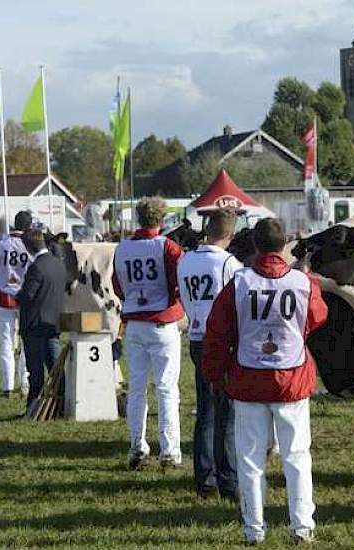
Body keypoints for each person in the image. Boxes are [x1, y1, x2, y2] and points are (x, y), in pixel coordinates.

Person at [203, 218, 328, 545]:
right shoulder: (303, 282)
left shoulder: (239, 282)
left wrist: (216, 375)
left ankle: (253, 529)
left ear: (256, 245)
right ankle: (302, 526)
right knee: (297, 456)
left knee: (250, 459)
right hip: (292, 380)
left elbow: (217, 332)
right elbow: (318, 317)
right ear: (284, 244)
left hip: (249, 380)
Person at [112, 196, 185, 470]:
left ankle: (136, 446)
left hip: (134, 323)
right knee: (166, 388)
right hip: (162, 322)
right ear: (162, 219)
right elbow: (179, 283)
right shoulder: (168, 247)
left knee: (137, 388)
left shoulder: (123, 248)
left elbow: (117, 286)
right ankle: (170, 451)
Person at [177, 209, 243, 499]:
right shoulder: (230, 263)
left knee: (205, 410)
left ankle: (204, 477)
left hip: (195, 336)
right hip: (222, 341)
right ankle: (228, 478)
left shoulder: (185, 260)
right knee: (226, 414)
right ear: (229, 234)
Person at [0, 211, 33, 397]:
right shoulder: (31, 244)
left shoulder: (1, 243)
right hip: (25, 297)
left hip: (3, 296)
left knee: (6, 342)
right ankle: (26, 383)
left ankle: (7, 386)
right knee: (26, 341)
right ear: (29, 226)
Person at [16, 229, 66, 414]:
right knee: (56, 368)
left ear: (28, 247)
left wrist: (17, 294)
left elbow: (28, 295)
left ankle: (33, 407)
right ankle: (61, 404)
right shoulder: (58, 265)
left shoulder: (36, 267)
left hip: (34, 325)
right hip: (53, 323)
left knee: (35, 370)